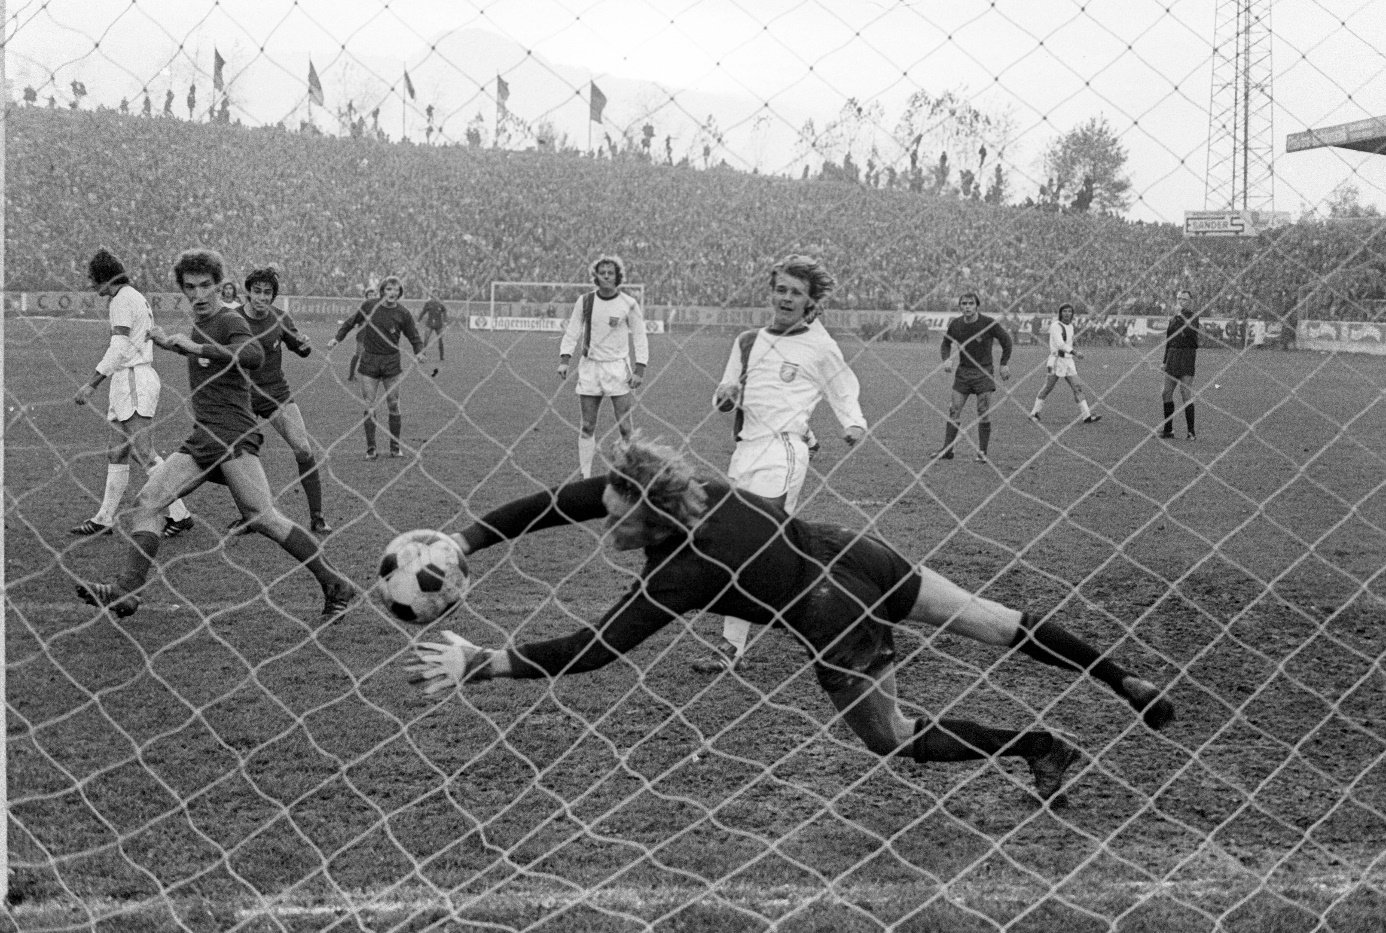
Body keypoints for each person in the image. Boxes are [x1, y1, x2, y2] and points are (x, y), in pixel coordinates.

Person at [407, 434, 1176, 803]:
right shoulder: (689, 488)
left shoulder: (683, 572)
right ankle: (1121, 677)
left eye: (613, 507)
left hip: (832, 614)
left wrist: (487, 660)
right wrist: (466, 539)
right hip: (856, 555)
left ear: (643, 513)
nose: (597, 511)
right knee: (993, 619)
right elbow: (561, 501)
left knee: (893, 735)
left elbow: (595, 648)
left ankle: (1038, 746)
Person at [74, 248, 355, 622]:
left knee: (264, 517)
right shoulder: (201, 322)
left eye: (207, 285)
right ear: (183, 290)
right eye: (191, 287)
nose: (200, 294)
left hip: (233, 436)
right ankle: (126, 591)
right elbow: (211, 361)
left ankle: (335, 582)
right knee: (149, 501)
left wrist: (194, 346)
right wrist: (174, 344)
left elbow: (251, 354)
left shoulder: (227, 319)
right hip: (205, 437)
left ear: (222, 286)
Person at [697, 254, 867, 674]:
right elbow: (721, 397)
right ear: (771, 292)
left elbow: (843, 387)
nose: (786, 298)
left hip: (785, 451)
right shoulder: (748, 341)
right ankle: (835, 599)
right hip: (744, 451)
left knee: (752, 544)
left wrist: (853, 423)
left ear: (810, 302)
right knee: (765, 548)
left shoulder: (819, 346)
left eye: (796, 292)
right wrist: (726, 396)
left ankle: (731, 645)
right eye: (781, 290)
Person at [70, 248, 195, 539]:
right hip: (126, 380)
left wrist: (92, 383)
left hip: (134, 379)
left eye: (92, 279)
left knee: (144, 452)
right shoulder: (128, 297)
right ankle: (104, 518)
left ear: (104, 279)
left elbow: (120, 347)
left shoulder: (123, 299)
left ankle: (180, 514)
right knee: (117, 450)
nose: (90, 285)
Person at [230, 265, 332, 535]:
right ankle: (249, 516)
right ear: (248, 293)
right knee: (241, 458)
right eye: (256, 292)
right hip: (242, 397)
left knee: (303, 448)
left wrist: (305, 345)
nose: (261, 297)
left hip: (276, 393)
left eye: (267, 293)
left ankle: (317, 517)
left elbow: (301, 349)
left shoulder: (279, 318)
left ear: (273, 296)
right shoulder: (232, 320)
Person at [557, 255, 649, 478]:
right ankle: (585, 477)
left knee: (626, 427)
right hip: (590, 367)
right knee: (587, 425)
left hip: (618, 368)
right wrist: (564, 358)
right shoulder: (585, 301)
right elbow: (573, 330)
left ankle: (632, 475)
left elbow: (640, 336)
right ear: (595, 276)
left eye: (610, 272)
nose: (606, 276)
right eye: (602, 272)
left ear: (618, 276)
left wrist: (639, 369)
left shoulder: (629, 303)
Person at [328, 276, 424, 459]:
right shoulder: (369, 306)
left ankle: (395, 448)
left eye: (396, 290)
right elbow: (350, 322)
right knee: (370, 405)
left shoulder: (403, 313)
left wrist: (419, 351)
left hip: (391, 363)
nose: (392, 293)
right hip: (369, 362)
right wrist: (337, 338)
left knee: (394, 404)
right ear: (382, 291)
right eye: (389, 289)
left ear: (400, 293)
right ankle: (371, 449)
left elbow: (414, 335)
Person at [934, 292, 1013, 463]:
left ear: (977, 306)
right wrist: (947, 359)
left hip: (983, 372)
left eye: (971, 303)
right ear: (960, 306)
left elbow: (1006, 340)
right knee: (954, 410)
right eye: (964, 303)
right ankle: (947, 450)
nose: (967, 306)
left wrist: (1004, 363)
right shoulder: (955, 325)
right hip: (963, 373)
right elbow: (946, 343)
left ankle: (982, 452)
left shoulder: (988, 323)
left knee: (983, 411)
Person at [1028, 302, 1102, 425]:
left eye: (1069, 311)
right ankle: (1034, 413)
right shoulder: (1056, 326)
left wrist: (1073, 350)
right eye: (1065, 311)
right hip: (1055, 361)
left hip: (1068, 362)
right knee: (1048, 387)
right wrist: (1075, 352)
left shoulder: (1071, 326)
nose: (1067, 313)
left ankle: (1087, 416)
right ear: (1060, 313)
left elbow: (1068, 342)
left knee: (1077, 387)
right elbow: (1060, 344)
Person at [1158, 289, 1200, 440]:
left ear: (1190, 302)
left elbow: (1189, 332)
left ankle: (1191, 432)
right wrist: (1164, 361)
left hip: (1187, 356)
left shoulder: (1193, 317)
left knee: (1185, 393)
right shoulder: (1174, 318)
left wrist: (1180, 315)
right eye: (1179, 299)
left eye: (1184, 299)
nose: (1181, 301)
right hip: (1173, 357)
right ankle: (1168, 430)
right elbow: (1169, 340)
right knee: (1166, 393)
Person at [418, 288, 449, 377]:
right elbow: (423, 312)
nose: (435, 295)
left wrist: (446, 322)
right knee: (426, 339)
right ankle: (423, 355)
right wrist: (418, 320)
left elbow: (445, 312)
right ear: (432, 295)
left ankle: (441, 356)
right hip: (429, 324)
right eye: (434, 294)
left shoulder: (441, 303)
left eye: (437, 294)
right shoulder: (428, 303)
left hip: (439, 325)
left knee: (440, 340)